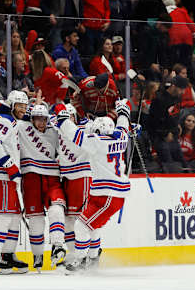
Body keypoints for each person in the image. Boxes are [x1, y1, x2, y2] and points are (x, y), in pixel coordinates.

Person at [53, 99, 131, 272]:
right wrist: (124, 110)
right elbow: (124, 124)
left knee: (81, 225)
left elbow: (72, 133)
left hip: (108, 193)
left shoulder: (97, 142)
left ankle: (79, 261)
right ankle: (93, 259)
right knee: (92, 226)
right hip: (107, 193)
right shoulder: (122, 137)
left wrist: (61, 114)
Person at [0, 91, 29, 274]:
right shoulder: (5, 120)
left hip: (7, 176)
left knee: (14, 215)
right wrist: (10, 165)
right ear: (11, 105)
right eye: (20, 105)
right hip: (1, 174)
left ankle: (7, 254)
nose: (23, 109)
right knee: (5, 215)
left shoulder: (13, 121)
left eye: (25, 106)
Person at [18, 103, 67, 272]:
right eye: (37, 119)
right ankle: (37, 256)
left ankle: (58, 245)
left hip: (52, 176)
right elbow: (8, 115)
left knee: (57, 209)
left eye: (43, 119)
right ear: (31, 119)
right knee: (36, 220)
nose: (41, 122)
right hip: (30, 177)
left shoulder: (54, 131)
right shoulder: (22, 127)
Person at [56, 104, 95, 265]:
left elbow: (105, 131)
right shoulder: (57, 126)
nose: (68, 120)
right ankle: (74, 255)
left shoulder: (87, 128)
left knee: (83, 219)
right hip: (66, 178)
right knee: (69, 219)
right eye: (66, 117)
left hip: (82, 177)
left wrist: (125, 128)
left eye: (71, 116)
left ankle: (89, 255)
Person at [147, 76, 188, 172]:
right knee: (169, 161)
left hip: (172, 133)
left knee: (181, 161)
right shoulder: (159, 99)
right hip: (159, 135)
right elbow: (154, 121)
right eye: (181, 89)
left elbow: (174, 115)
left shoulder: (177, 98)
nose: (182, 92)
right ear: (173, 86)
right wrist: (165, 133)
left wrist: (175, 128)